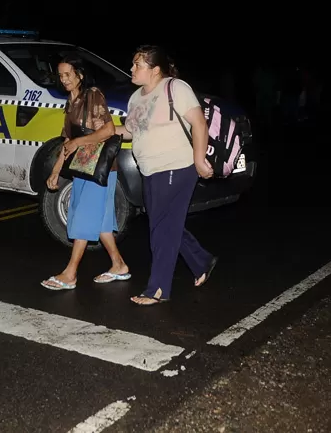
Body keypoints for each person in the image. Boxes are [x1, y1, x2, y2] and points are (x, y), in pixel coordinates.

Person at [114, 45, 218, 305]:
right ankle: (202, 260)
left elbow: (199, 123)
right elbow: (130, 131)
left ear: (155, 70)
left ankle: (158, 289)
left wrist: (198, 158)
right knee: (163, 223)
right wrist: (103, 130)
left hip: (177, 166)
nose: (132, 69)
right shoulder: (136, 97)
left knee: (161, 228)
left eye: (137, 65)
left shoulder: (176, 88)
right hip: (150, 169)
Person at [42, 56, 130, 290]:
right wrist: (56, 170)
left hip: (98, 167)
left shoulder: (93, 95)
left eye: (68, 74)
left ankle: (70, 274)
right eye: (61, 75)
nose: (64, 79)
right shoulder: (71, 102)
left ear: (80, 75)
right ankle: (118, 265)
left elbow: (108, 130)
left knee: (83, 216)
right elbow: (68, 141)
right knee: (99, 221)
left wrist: (80, 141)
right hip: (82, 166)